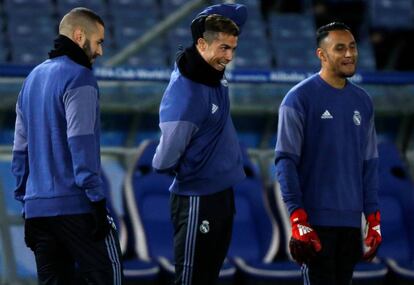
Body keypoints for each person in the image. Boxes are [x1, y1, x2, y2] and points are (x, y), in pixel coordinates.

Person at [11, 7, 123, 285]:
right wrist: (96, 201)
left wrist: (26, 202)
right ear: (78, 35)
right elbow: (80, 141)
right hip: (76, 206)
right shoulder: (79, 77)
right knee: (109, 277)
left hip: (38, 212)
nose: (100, 51)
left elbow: (19, 150)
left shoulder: (31, 79)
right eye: (98, 42)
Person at [275, 22, 382, 284]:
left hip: (350, 225)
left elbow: (369, 163)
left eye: (353, 47)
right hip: (315, 224)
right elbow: (285, 161)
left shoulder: (363, 101)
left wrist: (373, 216)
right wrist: (297, 216)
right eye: (340, 48)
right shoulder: (298, 98)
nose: (349, 54)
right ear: (321, 55)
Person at [152, 4, 247, 285]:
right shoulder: (186, 92)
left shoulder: (210, 73)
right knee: (191, 280)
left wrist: (215, 17)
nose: (229, 57)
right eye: (223, 49)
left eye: (233, 48)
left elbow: (237, 12)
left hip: (220, 194)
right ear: (202, 44)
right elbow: (164, 159)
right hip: (196, 199)